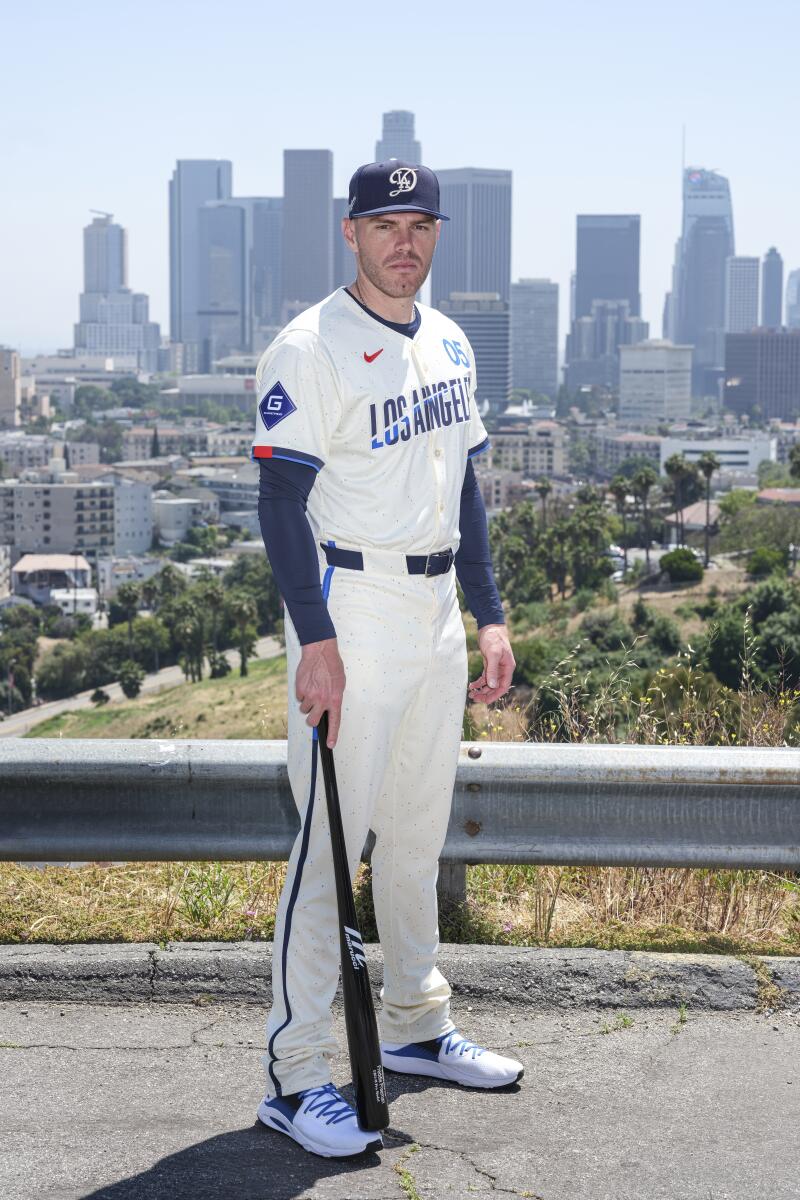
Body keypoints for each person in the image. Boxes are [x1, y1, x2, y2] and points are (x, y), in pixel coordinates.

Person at [252, 160, 520, 1159]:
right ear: (349, 233)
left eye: (419, 224)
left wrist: (486, 616)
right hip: (350, 605)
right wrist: (315, 640)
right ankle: (295, 1076)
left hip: (434, 605)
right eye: (383, 225)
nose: (403, 242)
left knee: (413, 840)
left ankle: (414, 1024)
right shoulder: (310, 345)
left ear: (436, 233)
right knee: (328, 851)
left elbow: (465, 493)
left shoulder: (448, 339)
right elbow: (279, 501)